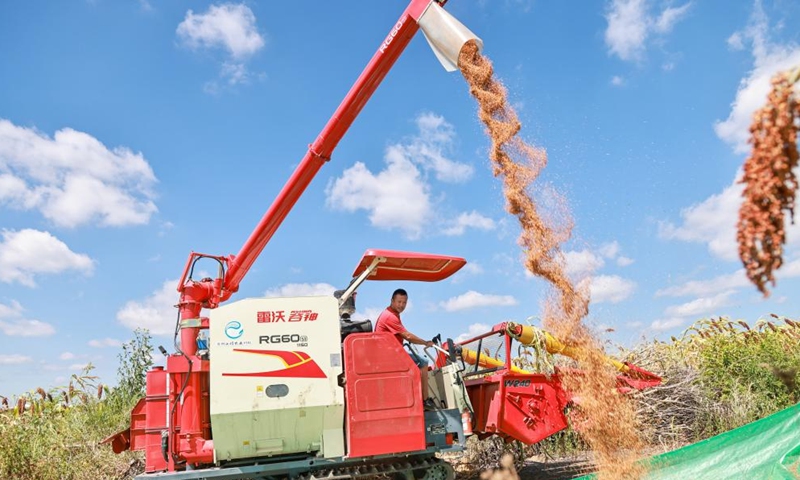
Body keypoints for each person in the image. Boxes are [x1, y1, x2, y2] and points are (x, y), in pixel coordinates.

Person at [374, 288, 437, 411]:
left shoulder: (392, 314)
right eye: (399, 302)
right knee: (423, 362)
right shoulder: (389, 316)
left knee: (417, 361)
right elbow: (407, 336)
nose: (402, 305)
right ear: (392, 301)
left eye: (404, 303)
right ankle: (425, 400)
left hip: (392, 352)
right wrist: (425, 342)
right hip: (389, 355)